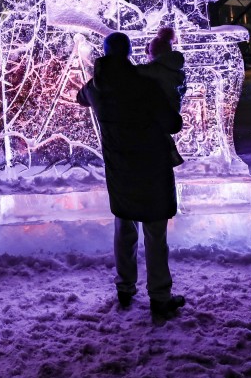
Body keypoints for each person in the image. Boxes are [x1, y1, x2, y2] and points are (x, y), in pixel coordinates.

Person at [77, 32, 186, 319]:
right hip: (151, 167)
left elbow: (80, 97)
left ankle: (125, 288)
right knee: (154, 234)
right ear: (128, 53)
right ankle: (160, 297)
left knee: (124, 230)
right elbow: (173, 124)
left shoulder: (96, 87)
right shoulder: (145, 85)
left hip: (119, 170)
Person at [137, 26, 186, 167]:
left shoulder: (156, 70)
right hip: (170, 112)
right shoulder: (175, 69)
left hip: (161, 115)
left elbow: (137, 71)